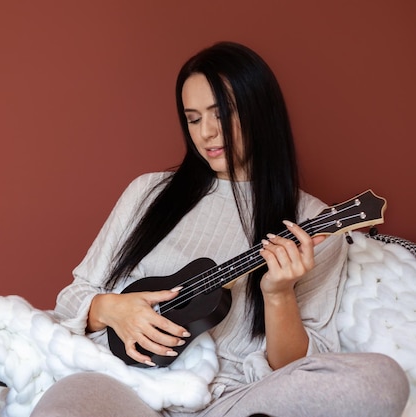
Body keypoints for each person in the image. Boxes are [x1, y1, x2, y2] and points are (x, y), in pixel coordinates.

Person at [30, 41, 409, 417]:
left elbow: (297, 368)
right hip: (125, 388)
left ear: (260, 111)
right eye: (193, 119)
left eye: (220, 114)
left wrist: (278, 294)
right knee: (66, 402)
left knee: (381, 379)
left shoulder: (312, 221)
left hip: (232, 401)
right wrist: (111, 309)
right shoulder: (148, 192)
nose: (207, 133)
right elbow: (72, 297)